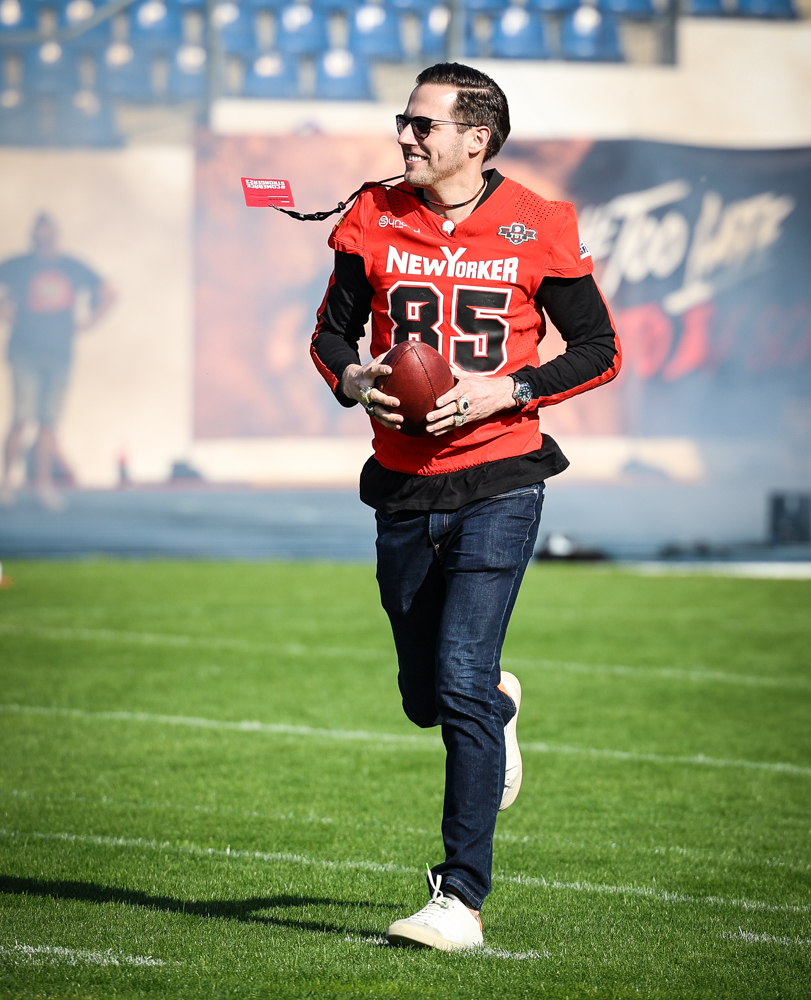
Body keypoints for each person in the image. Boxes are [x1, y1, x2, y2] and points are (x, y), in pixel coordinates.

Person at [310, 62, 621, 951]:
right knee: (427, 698)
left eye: (422, 124)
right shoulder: (372, 214)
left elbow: (598, 348)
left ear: (475, 138)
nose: (404, 136)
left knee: (455, 680)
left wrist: (507, 390)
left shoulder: (536, 222)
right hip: (403, 482)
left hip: (500, 477)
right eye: (403, 121)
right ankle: (496, 705)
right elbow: (330, 334)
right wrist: (352, 378)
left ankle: (460, 900)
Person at [0, 213, 115, 510]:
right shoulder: (18, 265)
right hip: (25, 350)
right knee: (21, 417)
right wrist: (4, 310)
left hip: (60, 353)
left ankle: (43, 485)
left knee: (48, 422)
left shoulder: (71, 266)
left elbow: (108, 292)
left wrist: (90, 321)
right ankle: (6, 484)